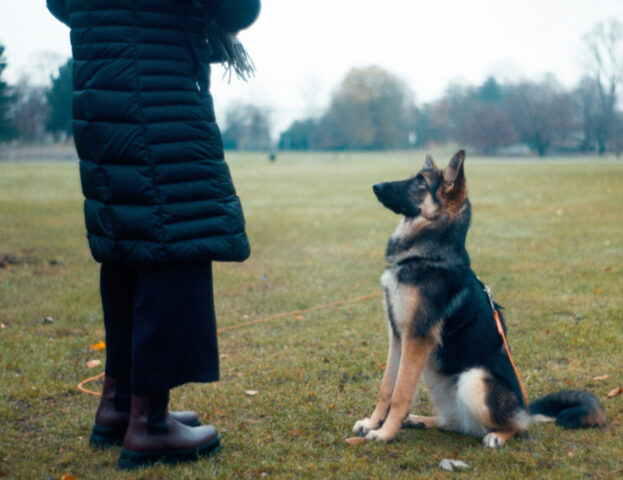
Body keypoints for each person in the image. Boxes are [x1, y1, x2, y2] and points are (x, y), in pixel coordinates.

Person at [46, 0, 260, 469]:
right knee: (176, 237)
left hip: (101, 84)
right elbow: (237, 9)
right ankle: (151, 424)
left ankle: (120, 405)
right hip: (157, 88)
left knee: (131, 240)